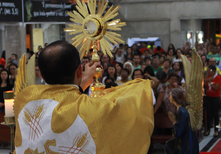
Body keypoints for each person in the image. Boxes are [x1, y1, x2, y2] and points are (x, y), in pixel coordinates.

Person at [14, 40, 154, 154]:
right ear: (80, 70)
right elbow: (133, 101)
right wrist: (146, 83)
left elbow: (61, 100)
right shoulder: (92, 109)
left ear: (42, 75)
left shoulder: (25, 100)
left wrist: (82, 81)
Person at [165, 88, 199, 154]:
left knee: (169, 145)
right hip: (188, 137)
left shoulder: (181, 110)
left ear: (175, 97)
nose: (169, 97)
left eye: (170, 95)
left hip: (186, 140)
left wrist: (174, 121)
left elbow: (179, 131)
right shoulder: (181, 109)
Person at [204, 65, 221, 137]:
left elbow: (216, 88)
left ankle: (216, 130)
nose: (208, 72)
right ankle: (208, 130)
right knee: (209, 114)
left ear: (213, 71)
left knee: (215, 114)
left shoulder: (218, 78)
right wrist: (206, 81)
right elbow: (205, 86)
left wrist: (210, 82)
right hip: (208, 97)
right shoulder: (208, 77)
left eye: (209, 70)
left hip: (215, 98)